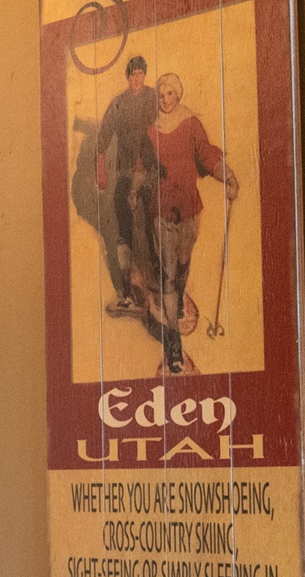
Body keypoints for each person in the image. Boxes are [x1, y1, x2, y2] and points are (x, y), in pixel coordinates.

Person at [146, 71, 238, 373]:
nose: (165, 100)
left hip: (188, 209)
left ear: (179, 95)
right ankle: (174, 342)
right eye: (160, 95)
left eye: (170, 94)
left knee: (183, 265)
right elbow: (140, 165)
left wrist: (229, 176)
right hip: (161, 210)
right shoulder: (149, 128)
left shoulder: (190, 123)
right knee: (169, 275)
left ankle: (179, 302)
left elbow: (207, 154)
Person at [73, 56, 163, 321]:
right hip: (125, 170)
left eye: (141, 74)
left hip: (148, 169)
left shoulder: (153, 99)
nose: (137, 78)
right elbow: (104, 132)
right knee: (123, 223)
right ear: (128, 77)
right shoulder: (119, 102)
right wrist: (100, 164)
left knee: (149, 221)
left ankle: (158, 284)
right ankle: (126, 290)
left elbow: (162, 127)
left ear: (145, 76)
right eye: (133, 74)